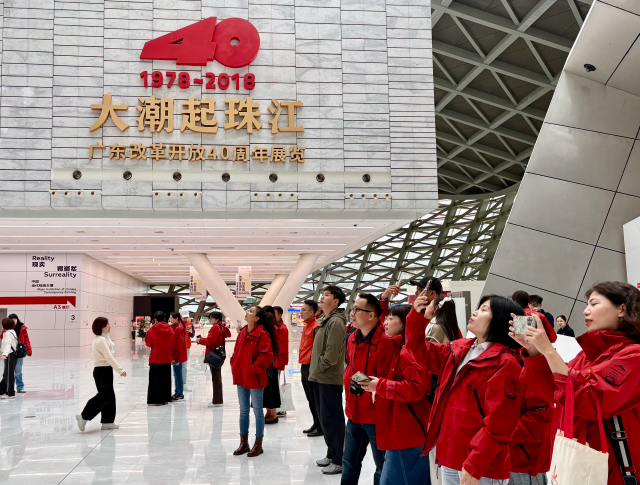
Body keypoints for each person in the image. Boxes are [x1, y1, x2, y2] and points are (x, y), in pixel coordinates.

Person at [512, 281, 640, 485]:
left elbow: (590, 400)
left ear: (622, 309)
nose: (585, 311)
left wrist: (548, 350)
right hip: (572, 463)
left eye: (594, 304)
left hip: (609, 469)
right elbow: (555, 391)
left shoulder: (633, 356)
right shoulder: (586, 354)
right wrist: (534, 350)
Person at [406, 292, 525, 485]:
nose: (475, 312)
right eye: (479, 308)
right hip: (451, 456)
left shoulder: (505, 364)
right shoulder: (459, 349)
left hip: (480, 466)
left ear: (500, 320)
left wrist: (475, 464)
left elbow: (499, 425)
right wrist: (415, 318)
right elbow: (419, 353)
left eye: (484, 309)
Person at [360, 304, 432, 485]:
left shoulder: (409, 350)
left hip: (406, 429)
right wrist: (378, 386)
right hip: (398, 426)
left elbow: (416, 388)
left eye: (391, 318)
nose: (385, 322)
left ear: (405, 323)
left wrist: (380, 386)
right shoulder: (394, 347)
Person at [341, 293, 387, 485]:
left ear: (371, 315)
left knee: (382, 465)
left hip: (377, 416)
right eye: (352, 309)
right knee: (349, 462)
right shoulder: (352, 338)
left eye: (356, 309)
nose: (352, 313)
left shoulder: (386, 341)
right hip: (354, 412)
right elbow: (352, 368)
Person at [423, 296, 462, 485]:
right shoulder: (453, 328)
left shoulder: (436, 328)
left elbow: (423, 356)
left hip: (434, 387)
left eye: (429, 304)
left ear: (436, 308)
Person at [309, 285, 347, 475]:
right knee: (325, 419)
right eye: (322, 294)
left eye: (326, 295)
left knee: (332, 418)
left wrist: (319, 367)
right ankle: (332, 454)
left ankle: (339, 459)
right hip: (320, 376)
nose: (322, 297)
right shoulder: (326, 320)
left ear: (335, 301)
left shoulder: (336, 322)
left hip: (329, 378)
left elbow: (331, 355)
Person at [230, 305, 276, 457]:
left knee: (257, 411)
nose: (247, 312)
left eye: (251, 311)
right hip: (241, 376)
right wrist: (234, 363)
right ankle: (243, 443)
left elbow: (267, 355)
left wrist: (253, 368)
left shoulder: (262, 333)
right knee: (243, 410)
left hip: (255, 377)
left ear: (256, 318)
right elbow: (237, 351)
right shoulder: (243, 332)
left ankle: (258, 444)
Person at [76, 317, 127, 431]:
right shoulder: (101, 340)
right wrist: (120, 370)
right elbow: (109, 357)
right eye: (107, 324)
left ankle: (108, 422)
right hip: (102, 370)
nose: (110, 326)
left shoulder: (103, 339)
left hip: (105, 370)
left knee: (109, 396)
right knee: (103, 396)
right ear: (101, 326)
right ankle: (83, 416)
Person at [298, 300, 322, 436]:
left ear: (311, 312)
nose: (301, 312)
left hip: (312, 366)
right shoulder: (306, 326)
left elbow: (318, 349)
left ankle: (320, 426)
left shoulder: (316, 327)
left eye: (303, 310)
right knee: (310, 398)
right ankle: (316, 423)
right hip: (304, 365)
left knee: (315, 398)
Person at [197, 311, 231, 406]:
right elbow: (227, 335)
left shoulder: (216, 327)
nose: (210, 320)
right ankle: (217, 399)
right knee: (217, 377)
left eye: (211, 318)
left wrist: (200, 340)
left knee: (216, 378)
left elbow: (210, 341)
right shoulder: (222, 326)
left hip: (214, 355)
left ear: (217, 319)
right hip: (219, 354)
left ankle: (217, 400)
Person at [145, 311, 174, 406]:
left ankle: (155, 400)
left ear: (155, 319)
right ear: (165, 319)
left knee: (155, 380)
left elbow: (148, 343)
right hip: (166, 358)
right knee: (165, 380)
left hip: (155, 358)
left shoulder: (151, 330)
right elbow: (172, 341)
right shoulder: (170, 330)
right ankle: (165, 399)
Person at [0, 314, 32, 394]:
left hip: (17, 352)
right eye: (11, 319)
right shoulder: (7, 330)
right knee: (7, 372)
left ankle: (20, 387)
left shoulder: (22, 328)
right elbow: (4, 340)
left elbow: (26, 340)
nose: (14, 320)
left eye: (15, 318)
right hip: (9, 353)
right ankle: (6, 388)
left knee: (18, 371)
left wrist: (28, 350)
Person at [261, 306, 282, 424]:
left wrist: (280, 364)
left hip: (272, 363)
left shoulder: (275, 329)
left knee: (272, 388)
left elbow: (281, 348)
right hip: (269, 363)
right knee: (268, 388)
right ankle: (269, 412)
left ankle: (273, 414)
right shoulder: (268, 328)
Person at [273, 305, 289, 418]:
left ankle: (280, 409)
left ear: (279, 315)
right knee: (276, 385)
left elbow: (282, 348)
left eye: (274, 314)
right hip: (276, 361)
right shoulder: (277, 327)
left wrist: (279, 364)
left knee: (277, 386)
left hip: (277, 362)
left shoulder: (282, 328)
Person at [169, 311, 188, 402]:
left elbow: (177, 344)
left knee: (178, 374)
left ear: (176, 318)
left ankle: (179, 393)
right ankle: (177, 392)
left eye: (171, 318)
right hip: (180, 354)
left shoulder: (178, 329)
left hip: (177, 356)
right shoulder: (179, 326)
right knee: (177, 374)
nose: (170, 320)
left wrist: (174, 356)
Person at [0, 318, 19, 400]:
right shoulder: (12, 332)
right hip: (12, 354)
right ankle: (2, 390)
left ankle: (10, 393)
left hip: (10, 354)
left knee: (9, 374)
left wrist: (4, 354)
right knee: (6, 374)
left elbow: (8, 345)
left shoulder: (8, 333)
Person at [182, 317, 195, 391]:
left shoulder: (190, 323)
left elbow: (192, 335)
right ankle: (178, 384)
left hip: (187, 346)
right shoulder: (177, 323)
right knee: (177, 366)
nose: (185, 318)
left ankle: (184, 384)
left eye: (186, 317)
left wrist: (191, 331)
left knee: (184, 366)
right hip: (178, 347)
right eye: (183, 316)